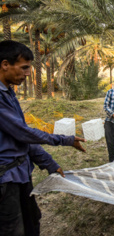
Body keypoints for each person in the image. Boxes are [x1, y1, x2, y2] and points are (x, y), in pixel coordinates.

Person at [0, 40, 86, 236]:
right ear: (5, 64)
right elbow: (23, 133)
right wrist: (64, 140)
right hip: (5, 181)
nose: (28, 73)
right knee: (12, 229)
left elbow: (22, 137)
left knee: (32, 221)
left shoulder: (9, 94)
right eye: (24, 68)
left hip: (20, 174)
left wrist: (48, 163)